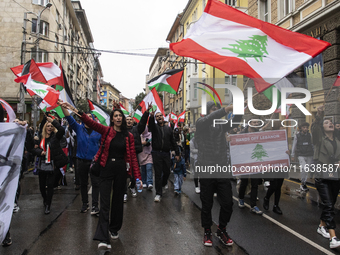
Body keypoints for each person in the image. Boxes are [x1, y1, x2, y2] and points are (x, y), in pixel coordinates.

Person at [61, 102, 142, 251]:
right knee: (104, 203)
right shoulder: (106, 131)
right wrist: (74, 109)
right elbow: (89, 121)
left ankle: (114, 229)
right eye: (115, 116)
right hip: (106, 169)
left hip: (121, 171)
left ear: (122, 119)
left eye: (120, 116)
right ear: (112, 119)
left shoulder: (128, 136)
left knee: (117, 202)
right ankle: (103, 238)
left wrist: (137, 177)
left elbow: (132, 158)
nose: (118, 118)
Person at [195, 101, 241, 247]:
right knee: (207, 203)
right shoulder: (201, 123)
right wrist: (225, 109)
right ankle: (207, 230)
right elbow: (210, 118)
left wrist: (239, 108)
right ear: (207, 112)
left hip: (221, 168)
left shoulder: (222, 125)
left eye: (217, 109)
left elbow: (236, 122)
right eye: (213, 109)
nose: (216, 112)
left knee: (227, 202)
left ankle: (222, 229)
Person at [61, 106, 102, 215]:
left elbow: (103, 145)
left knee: (95, 184)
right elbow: (68, 117)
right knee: (83, 183)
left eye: (90, 117)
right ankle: (85, 203)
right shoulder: (79, 128)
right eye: (86, 117)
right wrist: (62, 106)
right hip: (81, 161)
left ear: (93, 119)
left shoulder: (98, 131)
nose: (88, 118)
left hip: (94, 162)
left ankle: (95, 206)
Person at [312, 105, 340, 249]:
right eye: (326, 122)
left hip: (335, 175)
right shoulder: (319, 139)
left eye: (331, 122)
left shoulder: (337, 140)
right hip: (322, 174)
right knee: (328, 204)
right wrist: (320, 115)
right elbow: (315, 128)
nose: (330, 124)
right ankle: (333, 237)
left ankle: (321, 226)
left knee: (331, 203)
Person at [32, 115, 68, 214]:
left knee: (50, 185)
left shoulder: (55, 137)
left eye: (51, 126)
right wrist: (40, 152)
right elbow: (33, 149)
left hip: (52, 164)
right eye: (48, 126)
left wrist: (53, 121)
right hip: (42, 164)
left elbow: (61, 130)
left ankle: (48, 204)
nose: (49, 128)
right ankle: (45, 199)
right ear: (45, 127)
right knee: (42, 187)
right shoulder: (40, 137)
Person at [149, 111, 179, 202]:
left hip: (166, 153)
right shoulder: (154, 128)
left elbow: (173, 142)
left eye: (160, 115)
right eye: (157, 116)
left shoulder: (168, 129)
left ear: (163, 117)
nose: (159, 117)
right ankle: (158, 193)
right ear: (156, 118)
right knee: (158, 173)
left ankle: (163, 183)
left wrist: (177, 153)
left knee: (167, 171)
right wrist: (151, 117)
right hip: (157, 153)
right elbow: (150, 125)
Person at [238, 120, 263, 215]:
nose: (256, 124)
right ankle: (241, 199)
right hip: (244, 161)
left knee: (255, 184)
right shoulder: (242, 134)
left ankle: (253, 205)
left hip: (255, 161)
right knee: (244, 182)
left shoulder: (259, 134)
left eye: (257, 123)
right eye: (254, 122)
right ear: (249, 124)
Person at [124, 109, 149, 201]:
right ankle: (124, 192)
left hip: (134, 154)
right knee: (124, 173)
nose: (129, 121)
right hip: (124, 155)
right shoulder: (121, 131)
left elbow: (142, 123)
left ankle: (132, 187)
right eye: (127, 120)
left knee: (135, 173)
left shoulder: (136, 129)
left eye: (130, 119)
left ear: (133, 121)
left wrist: (146, 113)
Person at [291, 122, 314, 191]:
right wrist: (292, 155)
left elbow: (312, 144)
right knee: (304, 168)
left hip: (309, 154)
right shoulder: (297, 136)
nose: (305, 129)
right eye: (304, 127)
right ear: (301, 128)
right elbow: (294, 145)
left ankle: (303, 183)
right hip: (301, 155)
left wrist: (314, 153)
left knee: (306, 169)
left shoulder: (310, 135)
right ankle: (303, 183)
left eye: (306, 127)